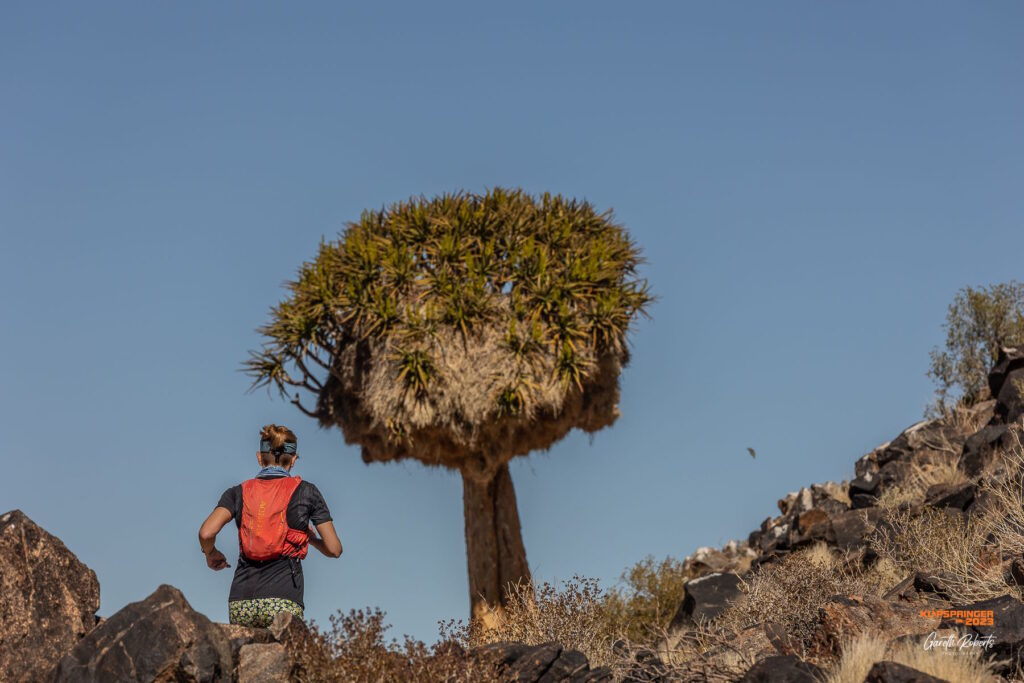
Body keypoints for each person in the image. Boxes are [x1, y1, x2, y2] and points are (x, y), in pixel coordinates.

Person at [199, 424, 342, 627]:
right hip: (284, 602)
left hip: (242, 602)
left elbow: (206, 532)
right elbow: (334, 549)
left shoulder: (238, 492)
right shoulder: (306, 492)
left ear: (259, 457)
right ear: (293, 460)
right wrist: (310, 539)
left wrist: (210, 552)